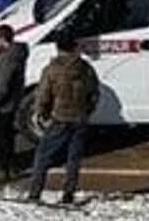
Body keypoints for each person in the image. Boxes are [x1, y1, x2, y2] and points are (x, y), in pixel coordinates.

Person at [29, 35, 100, 205]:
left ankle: (35, 193)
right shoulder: (85, 68)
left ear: (58, 49)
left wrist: (40, 113)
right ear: (74, 48)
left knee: (42, 157)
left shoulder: (52, 69)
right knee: (73, 159)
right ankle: (68, 193)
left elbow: (44, 94)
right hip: (80, 118)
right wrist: (88, 111)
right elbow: (94, 93)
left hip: (59, 117)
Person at [0, 25, 29, 181]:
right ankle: (11, 166)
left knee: (1, 139)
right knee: (8, 137)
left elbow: (2, 85)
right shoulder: (14, 54)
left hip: (3, 105)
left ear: (2, 39)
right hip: (11, 102)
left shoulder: (8, 59)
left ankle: (4, 169)